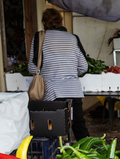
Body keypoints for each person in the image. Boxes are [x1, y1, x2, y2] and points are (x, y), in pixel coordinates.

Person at [28, 9, 89, 140]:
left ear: (43, 22)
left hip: (51, 92)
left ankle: (54, 154)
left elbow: (32, 68)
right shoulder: (73, 38)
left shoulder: (39, 37)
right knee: (78, 125)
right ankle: (91, 154)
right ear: (60, 22)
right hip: (73, 90)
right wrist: (70, 73)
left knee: (50, 127)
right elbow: (84, 67)